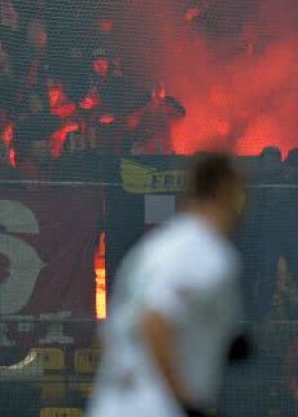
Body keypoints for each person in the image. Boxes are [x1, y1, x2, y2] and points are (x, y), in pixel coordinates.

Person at [86, 152, 248, 417]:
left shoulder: (152, 248)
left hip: (112, 406)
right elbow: (155, 320)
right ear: (225, 191)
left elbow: (108, 336)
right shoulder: (206, 251)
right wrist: (184, 402)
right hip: (155, 408)